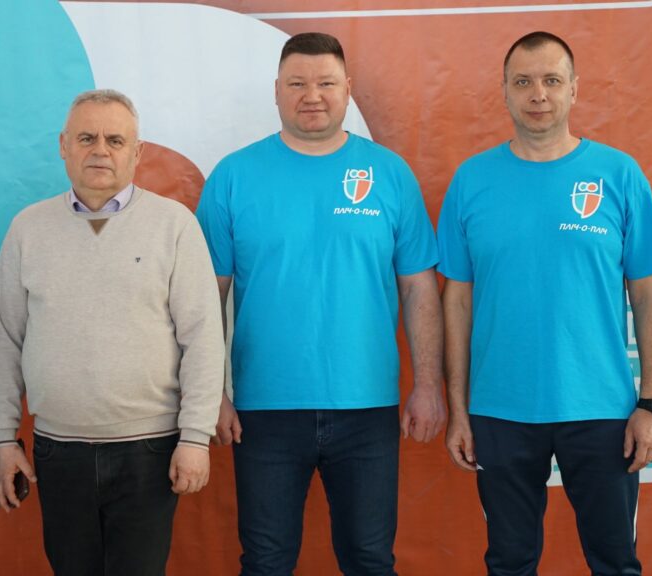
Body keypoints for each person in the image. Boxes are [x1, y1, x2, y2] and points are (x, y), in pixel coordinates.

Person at [196, 32, 446, 575]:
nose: (312, 95)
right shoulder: (233, 177)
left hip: (367, 408)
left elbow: (419, 288)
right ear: (276, 91)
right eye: (297, 84)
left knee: (370, 560)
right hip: (264, 409)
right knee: (265, 562)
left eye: (326, 83)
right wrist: (211, 393)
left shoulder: (389, 174)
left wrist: (428, 384)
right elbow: (206, 299)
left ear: (347, 89)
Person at [438, 31, 652, 575]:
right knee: (509, 562)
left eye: (551, 80)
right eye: (523, 82)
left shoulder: (618, 175)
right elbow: (457, 303)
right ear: (504, 91)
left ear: (574, 89)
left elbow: (649, 294)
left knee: (615, 561)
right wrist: (459, 410)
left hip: (602, 411)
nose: (537, 94)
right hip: (500, 410)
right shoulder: (471, 181)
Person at [0, 88, 223, 575]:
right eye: (86, 138)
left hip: (149, 450)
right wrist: (2, 440)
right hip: (58, 451)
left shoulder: (174, 226)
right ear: (63, 145)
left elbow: (202, 338)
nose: (100, 150)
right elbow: (4, 341)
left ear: (137, 151)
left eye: (115, 140)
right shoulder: (28, 229)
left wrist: (196, 437)